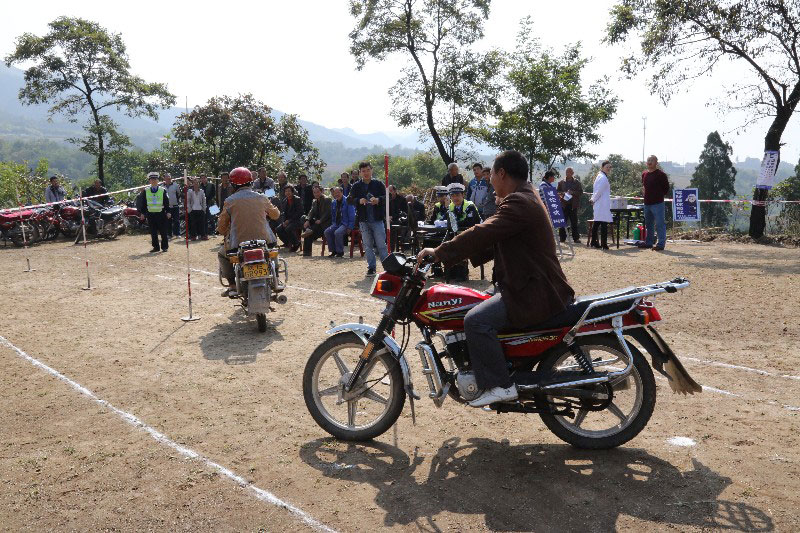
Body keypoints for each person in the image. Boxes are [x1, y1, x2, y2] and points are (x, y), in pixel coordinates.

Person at [418, 150, 574, 406]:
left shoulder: (520, 201)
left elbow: (483, 232)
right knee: (476, 304)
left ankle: (501, 385)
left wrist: (439, 253)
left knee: (476, 321)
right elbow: (494, 239)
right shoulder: (526, 196)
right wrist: (452, 256)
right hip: (529, 285)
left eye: (491, 174)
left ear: (502, 174)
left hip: (532, 291)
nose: (489, 180)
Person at [216, 167, 280, 296]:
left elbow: (222, 227)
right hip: (265, 240)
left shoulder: (229, 201)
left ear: (233, 184)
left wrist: (222, 230)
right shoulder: (262, 198)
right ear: (251, 182)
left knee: (222, 254)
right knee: (272, 251)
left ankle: (232, 286)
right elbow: (275, 215)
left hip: (238, 244)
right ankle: (276, 279)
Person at [348, 161, 389, 276]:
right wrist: (358, 200)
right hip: (363, 220)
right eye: (363, 171)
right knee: (368, 245)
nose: (366, 173)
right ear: (360, 173)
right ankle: (371, 267)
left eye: (368, 170)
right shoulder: (356, 186)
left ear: (372, 170)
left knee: (381, 245)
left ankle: (387, 268)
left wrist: (378, 200)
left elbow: (388, 197)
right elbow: (349, 200)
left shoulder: (378, 184)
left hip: (377, 219)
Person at [444, 182, 481, 281]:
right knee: (445, 242)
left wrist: (456, 223)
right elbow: (450, 223)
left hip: (474, 234)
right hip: (458, 234)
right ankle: (450, 270)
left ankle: (462, 272)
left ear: (463, 195)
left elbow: (470, 222)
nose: (455, 198)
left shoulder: (470, 206)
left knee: (460, 243)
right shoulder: (451, 206)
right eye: (453, 196)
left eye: (457, 195)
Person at [641, 155, 670, 251]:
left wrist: (658, 195)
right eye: (648, 160)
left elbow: (666, 188)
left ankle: (661, 244)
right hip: (647, 203)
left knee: (660, 224)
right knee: (649, 224)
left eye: (652, 160)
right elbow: (644, 187)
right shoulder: (644, 174)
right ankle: (649, 242)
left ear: (656, 163)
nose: (649, 162)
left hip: (658, 203)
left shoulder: (661, 175)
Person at [141, 172, 171, 253]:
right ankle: (156, 247)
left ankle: (164, 247)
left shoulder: (162, 190)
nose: (154, 181)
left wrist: (168, 212)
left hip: (161, 213)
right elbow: (143, 203)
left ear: (158, 180)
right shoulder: (146, 191)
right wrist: (143, 213)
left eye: (155, 179)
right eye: (152, 179)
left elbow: (166, 202)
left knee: (163, 231)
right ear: (149, 181)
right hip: (151, 214)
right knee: (153, 232)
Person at [325, 187, 355, 258]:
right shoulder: (334, 202)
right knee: (327, 232)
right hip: (336, 223)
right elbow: (333, 215)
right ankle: (333, 251)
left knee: (337, 232)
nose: (337, 194)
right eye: (335, 193)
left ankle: (340, 252)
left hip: (345, 224)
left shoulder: (348, 201)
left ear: (342, 192)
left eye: (338, 192)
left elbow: (352, 215)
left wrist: (350, 227)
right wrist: (333, 224)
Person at [301, 184, 332, 256]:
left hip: (324, 223)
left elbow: (328, 213)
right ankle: (308, 230)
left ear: (322, 191)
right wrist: (307, 220)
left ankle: (306, 252)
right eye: (314, 192)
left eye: (318, 192)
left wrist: (321, 220)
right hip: (316, 223)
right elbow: (311, 212)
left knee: (309, 233)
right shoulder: (314, 201)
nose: (316, 194)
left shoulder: (327, 200)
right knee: (303, 217)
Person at [556, 167, 583, 243]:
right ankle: (562, 238)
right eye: (567, 172)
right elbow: (557, 191)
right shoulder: (561, 182)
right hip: (564, 204)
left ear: (572, 173)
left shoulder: (577, 182)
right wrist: (563, 193)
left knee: (574, 222)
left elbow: (580, 192)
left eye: (570, 172)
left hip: (573, 205)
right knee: (563, 222)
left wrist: (573, 192)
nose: (568, 173)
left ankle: (576, 238)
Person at [590, 161, 613, 250]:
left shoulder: (600, 176)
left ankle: (594, 242)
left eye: (610, 167)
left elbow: (597, 190)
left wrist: (593, 199)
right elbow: (599, 191)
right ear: (602, 167)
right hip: (602, 203)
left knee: (597, 223)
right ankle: (603, 244)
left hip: (600, 203)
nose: (608, 169)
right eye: (607, 167)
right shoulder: (603, 178)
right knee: (603, 223)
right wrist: (593, 199)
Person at [276, 183, 303, 252]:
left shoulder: (297, 199)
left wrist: (289, 220)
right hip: (288, 221)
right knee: (278, 229)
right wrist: (284, 222)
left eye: (289, 191)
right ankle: (287, 242)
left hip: (297, 220)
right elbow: (283, 213)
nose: (287, 193)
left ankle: (296, 243)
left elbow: (299, 213)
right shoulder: (284, 201)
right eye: (286, 191)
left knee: (288, 228)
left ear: (292, 192)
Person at [388, 185, 408, 250]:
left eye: (391, 191)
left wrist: (393, 216)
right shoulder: (386, 199)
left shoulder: (402, 199)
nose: (389, 193)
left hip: (399, 219)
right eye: (388, 191)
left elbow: (404, 212)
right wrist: (387, 217)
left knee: (392, 227)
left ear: (395, 191)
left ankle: (394, 248)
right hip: (389, 219)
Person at [162, 173, 181, 238]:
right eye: (167, 178)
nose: (168, 179)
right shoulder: (162, 187)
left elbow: (179, 194)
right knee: (168, 221)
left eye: (169, 178)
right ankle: (169, 234)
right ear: (164, 178)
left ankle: (177, 234)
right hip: (167, 207)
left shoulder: (176, 185)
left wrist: (176, 201)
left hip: (175, 206)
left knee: (176, 220)